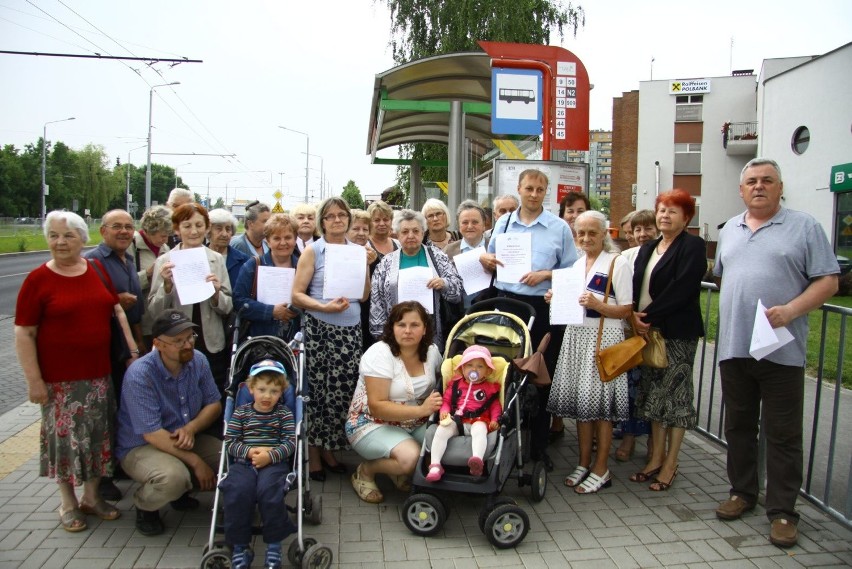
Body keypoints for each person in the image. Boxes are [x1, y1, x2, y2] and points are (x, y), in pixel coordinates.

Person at [713, 158, 839, 547]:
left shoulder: (805, 227)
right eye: (751, 181)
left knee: (782, 433)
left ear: (781, 187)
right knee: (738, 426)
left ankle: (783, 511)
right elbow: (723, 276)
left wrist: (792, 310)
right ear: (741, 190)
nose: (759, 186)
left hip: (780, 350)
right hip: (735, 347)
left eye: (767, 180)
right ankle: (742, 493)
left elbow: (830, 281)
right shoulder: (729, 230)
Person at [16, 210, 138, 533]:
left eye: (68, 235)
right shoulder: (37, 280)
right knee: (66, 443)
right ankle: (68, 502)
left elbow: (116, 311)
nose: (60, 242)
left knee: (99, 437)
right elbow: (24, 333)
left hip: (99, 375)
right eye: (54, 235)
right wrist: (34, 381)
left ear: (83, 239)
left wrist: (132, 354)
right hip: (59, 382)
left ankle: (92, 497)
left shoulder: (96, 269)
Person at [480, 168, 579, 470]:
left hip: (543, 306)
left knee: (539, 376)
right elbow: (490, 261)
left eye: (540, 189)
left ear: (545, 192)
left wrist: (547, 275)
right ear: (519, 189)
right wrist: (485, 260)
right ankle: (500, 440)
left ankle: (538, 448)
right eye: (529, 188)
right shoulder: (504, 222)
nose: (534, 194)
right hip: (507, 304)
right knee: (504, 373)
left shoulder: (559, 227)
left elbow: (573, 272)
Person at [545, 211, 631, 493]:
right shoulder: (577, 263)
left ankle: (601, 467)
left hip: (603, 338)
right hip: (577, 335)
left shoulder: (618, 263)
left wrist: (599, 305)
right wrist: (555, 298)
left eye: (592, 233)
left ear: (605, 233)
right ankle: (583, 462)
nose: (585, 238)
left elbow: (628, 309)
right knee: (584, 407)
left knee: (601, 408)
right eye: (580, 233)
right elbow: (573, 303)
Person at [116, 309, 222, 536]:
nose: (187, 345)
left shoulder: (199, 360)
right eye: (178, 341)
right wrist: (195, 462)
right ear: (158, 344)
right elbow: (152, 434)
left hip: (184, 436)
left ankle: (181, 492)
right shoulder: (140, 374)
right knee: (173, 477)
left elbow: (214, 404)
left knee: (230, 461)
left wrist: (191, 428)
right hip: (141, 445)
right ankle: (145, 505)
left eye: (189, 338)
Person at [628, 190, 706, 492]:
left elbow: (682, 288)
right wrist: (633, 315)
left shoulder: (693, 246)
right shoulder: (649, 248)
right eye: (661, 210)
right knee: (652, 396)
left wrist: (646, 316)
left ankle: (671, 464)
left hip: (675, 333)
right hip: (648, 332)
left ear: (686, 217)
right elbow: (637, 286)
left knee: (675, 399)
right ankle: (655, 458)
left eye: (673, 211)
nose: (664, 215)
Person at [292, 197, 370, 481]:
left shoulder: (358, 250)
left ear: (349, 219)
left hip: (349, 330)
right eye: (330, 216)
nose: (337, 220)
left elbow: (362, 295)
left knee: (341, 394)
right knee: (318, 392)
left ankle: (329, 450)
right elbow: (296, 294)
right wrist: (324, 307)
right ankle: (313, 454)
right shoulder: (314, 251)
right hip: (320, 328)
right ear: (322, 221)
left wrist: (366, 266)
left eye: (342, 215)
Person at [346, 301, 444, 503]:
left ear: (425, 329)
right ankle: (365, 471)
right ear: (392, 327)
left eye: (415, 325)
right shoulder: (379, 354)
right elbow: (377, 406)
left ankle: (395, 466)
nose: (407, 331)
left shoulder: (432, 352)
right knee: (411, 458)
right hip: (370, 422)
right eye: (401, 325)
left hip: (412, 420)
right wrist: (423, 410)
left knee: (443, 444)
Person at [84, 209, 146, 500]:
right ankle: (103, 476)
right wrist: (114, 300)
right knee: (107, 411)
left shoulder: (127, 259)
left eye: (128, 227)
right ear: (103, 231)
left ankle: (118, 464)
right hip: (108, 347)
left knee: (123, 406)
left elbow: (135, 309)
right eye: (116, 227)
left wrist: (138, 341)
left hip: (128, 345)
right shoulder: (95, 261)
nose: (123, 232)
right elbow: (87, 303)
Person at [148, 203, 233, 392]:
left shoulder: (216, 259)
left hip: (210, 341)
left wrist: (216, 293)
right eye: (187, 226)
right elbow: (154, 312)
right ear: (177, 229)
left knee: (211, 393)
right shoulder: (165, 261)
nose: (194, 231)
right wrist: (167, 286)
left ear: (207, 227)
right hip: (176, 344)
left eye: (199, 225)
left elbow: (227, 307)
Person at [220, 359, 296, 569]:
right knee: (236, 492)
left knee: (270, 492)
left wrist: (270, 456)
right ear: (251, 388)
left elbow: (290, 443)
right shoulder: (241, 413)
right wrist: (250, 452)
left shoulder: (284, 414)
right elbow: (231, 442)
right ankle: (240, 547)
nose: (267, 396)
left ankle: (273, 545)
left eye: (274, 391)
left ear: (282, 392)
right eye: (262, 389)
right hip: (244, 464)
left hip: (274, 464)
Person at [370, 209, 464, 348]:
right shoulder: (386, 263)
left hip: (431, 332)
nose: (410, 235)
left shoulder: (437, 256)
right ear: (397, 234)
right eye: (405, 232)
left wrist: (444, 283)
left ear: (422, 232)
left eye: (415, 231)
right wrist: (383, 336)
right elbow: (376, 301)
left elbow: (457, 290)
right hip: (397, 333)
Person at [614, 208, 657, 462]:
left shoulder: (667, 254)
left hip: (658, 330)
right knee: (632, 388)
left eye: (647, 228)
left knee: (655, 389)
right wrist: (631, 317)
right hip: (630, 331)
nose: (642, 234)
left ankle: (654, 443)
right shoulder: (626, 256)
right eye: (637, 229)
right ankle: (629, 439)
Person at [427, 345, 501, 481]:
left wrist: (495, 419)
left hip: (478, 419)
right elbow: (446, 401)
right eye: (469, 365)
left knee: (480, 430)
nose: (474, 369)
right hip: (456, 419)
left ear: (488, 371)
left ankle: (477, 460)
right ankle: (435, 465)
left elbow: (495, 406)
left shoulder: (489, 388)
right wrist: (444, 412)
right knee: (441, 430)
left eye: (480, 366)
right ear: (462, 368)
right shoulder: (455, 384)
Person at [234, 213, 301, 339]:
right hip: (258, 338)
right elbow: (238, 300)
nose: (283, 243)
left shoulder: (302, 267)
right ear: (268, 241)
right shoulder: (253, 265)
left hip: (294, 339)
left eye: (288, 237)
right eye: (276, 238)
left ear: (295, 239)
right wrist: (271, 311)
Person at [130, 205, 172, 348]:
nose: (166, 240)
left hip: (159, 319)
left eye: (168, 235)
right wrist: (148, 274)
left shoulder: (164, 248)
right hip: (140, 322)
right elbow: (125, 284)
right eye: (163, 235)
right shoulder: (132, 246)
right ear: (150, 230)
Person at [444, 200, 490, 308]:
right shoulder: (448, 251)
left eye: (475, 222)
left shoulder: (494, 247)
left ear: (484, 225)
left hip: (490, 310)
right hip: (459, 313)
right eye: (465, 222)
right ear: (459, 226)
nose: (470, 226)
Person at [348, 209, 380, 352]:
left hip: (368, 317)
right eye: (355, 228)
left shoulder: (375, 258)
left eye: (365, 229)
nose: (361, 233)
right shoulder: (339, 254)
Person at [208, 208, 251, 290]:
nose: (224, 234)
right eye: (219, 229)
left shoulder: (244, 261)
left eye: (228, 229)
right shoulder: (200, 257)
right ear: (208, 231)